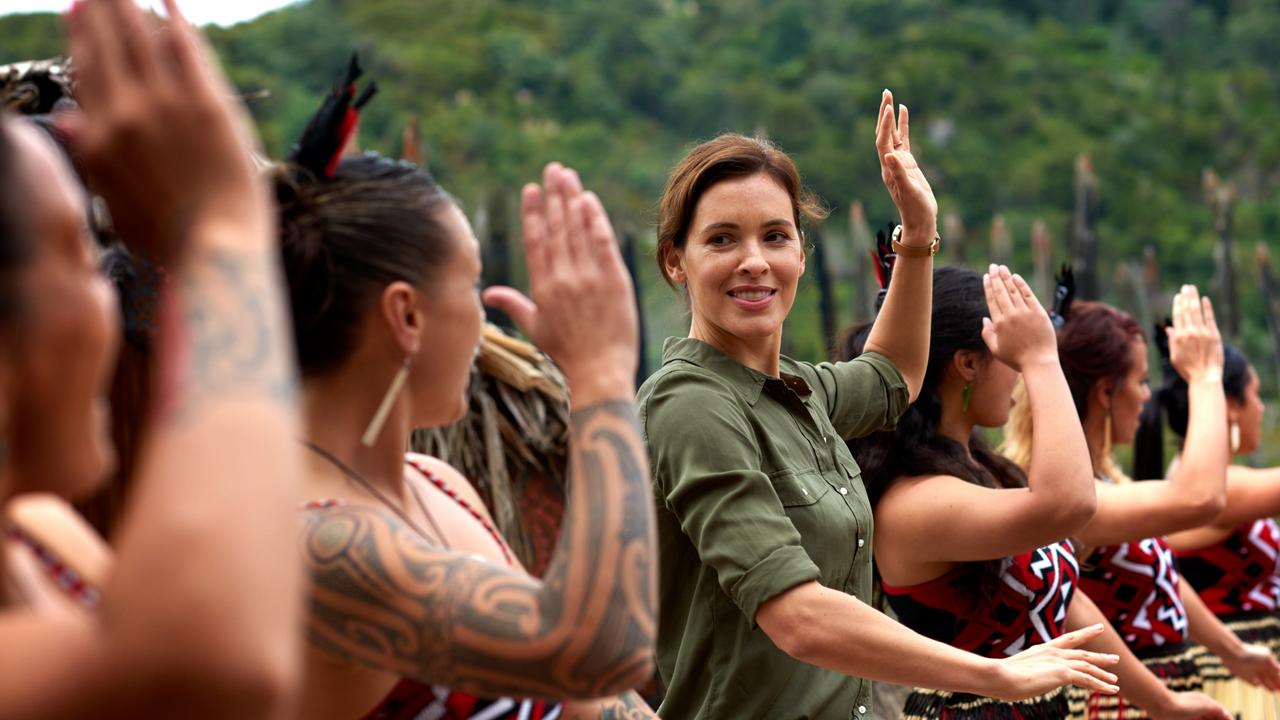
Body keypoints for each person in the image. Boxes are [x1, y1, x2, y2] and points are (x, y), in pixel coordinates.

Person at [638, 90, 1119, 720]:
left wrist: (918, 235)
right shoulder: (691, 407)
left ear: (801, 256)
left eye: (775, 236)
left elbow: (894, 372)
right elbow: (797, 616)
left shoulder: (799, 391)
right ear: (677, 260)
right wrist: (993, 674)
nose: (755, 262)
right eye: (723, 239)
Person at [275, 63, 658, 718]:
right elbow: (596, 653)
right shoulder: (315, 541)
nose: (484, 318)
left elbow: (593, 702)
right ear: (408, 316)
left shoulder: (436, 483)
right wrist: (599, 378)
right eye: (470, 284)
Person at [0, 0, 305, 716]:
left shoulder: (37, 534)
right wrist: (221, 231)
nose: (110, 294)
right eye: (83, 257)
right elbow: (208, 666)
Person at [843, 266, 1230, 719]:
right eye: (1009, 358)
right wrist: (1042, 359)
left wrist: (1164, 703)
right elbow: (1068, 504)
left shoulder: (984, 472)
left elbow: (1064, 602)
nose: (1018, 376)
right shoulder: (914, 501)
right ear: (968, 364)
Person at [1003, 289, 1280, 719]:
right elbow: (1202, 498)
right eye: (1141, 380)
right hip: (1116, 707)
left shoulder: (1105, 484)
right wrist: (1206, 374)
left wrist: (1234, 652)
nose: (1149, 396)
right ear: (1106, 393)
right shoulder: (1076, 504)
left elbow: (1165, 578)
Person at [1136, 337, 1280, 716]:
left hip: (1245, 675)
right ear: (1230, 407)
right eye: (1256, 395)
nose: (1261, 408)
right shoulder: (1219, 489)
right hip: (1235, 686)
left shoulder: (1206, 480)